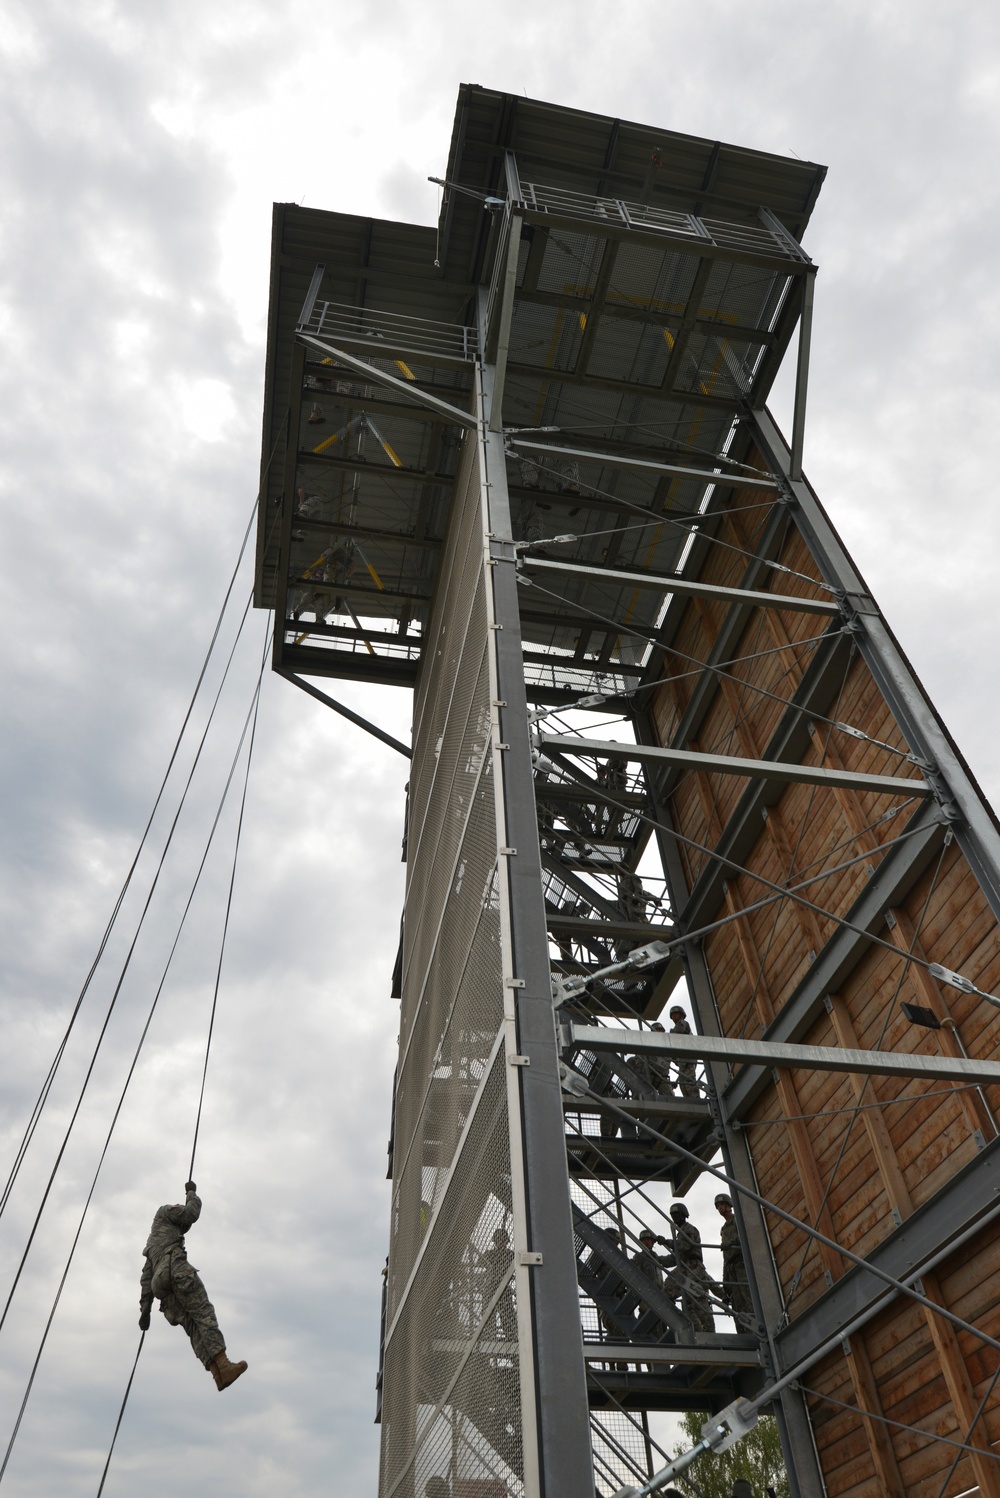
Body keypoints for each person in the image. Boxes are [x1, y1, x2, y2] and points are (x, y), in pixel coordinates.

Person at [139, 1181, 247, 1392]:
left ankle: (217, 1373)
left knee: (192, 1326)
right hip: (175, 1269)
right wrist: (192, 1193)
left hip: (160, 1284)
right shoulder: (165, 1212)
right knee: (203, 1313)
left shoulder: (153, 1243)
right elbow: (191, 1214)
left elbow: (146, 1278)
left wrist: (145, 1310)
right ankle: (223, 1365)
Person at [668, 1202, 714, 1332]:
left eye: (677, 1214)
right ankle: (691, 1329)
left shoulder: (689, 1229)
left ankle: (710, 1332)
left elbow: (685, 1247)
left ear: (684, 1215)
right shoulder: (680, 1233)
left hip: (694, 1266)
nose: (675, 1218)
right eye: (673, 1215)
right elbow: (674, 1257)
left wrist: (668, 1242)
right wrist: (656, 1257)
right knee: (675, 1293)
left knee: (698, 1299)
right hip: (684, 1266)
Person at [715, 1194, 754, 1330]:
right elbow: (725, 1257)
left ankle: (756, 1330)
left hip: (742, 1265)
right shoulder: (724, 1229)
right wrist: (725, 1287)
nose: (719, 1208)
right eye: (718, 1206)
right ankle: (744, 1333)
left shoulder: (738, 1220)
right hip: (731, 1268)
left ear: (728, 1205)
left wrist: (731, 1243)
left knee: (749, 1300)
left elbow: (744, 1237)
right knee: (737, 1305)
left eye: (721, 1204)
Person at [668, 1005, 701, 1098]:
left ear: (682, 1015)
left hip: (688, 1060)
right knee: (684, 1086)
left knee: (689, 1085)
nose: (674, 1016)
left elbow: (678, 1031)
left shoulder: (682, 1023)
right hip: (684, 1062)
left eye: (676, 1014)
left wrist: (671, 1033)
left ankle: (697, 1103)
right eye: (673, 1015)